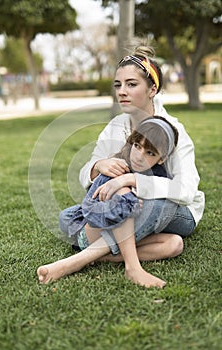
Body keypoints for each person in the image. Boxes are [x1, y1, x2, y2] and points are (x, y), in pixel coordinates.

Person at [37, 44, 205, 287]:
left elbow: (186, 190)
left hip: (178, 212)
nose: (122, 91)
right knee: (172, 244)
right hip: (139, 213)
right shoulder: (116, 126)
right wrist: (99, 166)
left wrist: (131, 180)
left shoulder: (173, 129)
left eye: (131, 84)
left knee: (129, 196)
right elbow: (87, 173)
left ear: (152, 89)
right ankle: (114, 255)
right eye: (118, 85)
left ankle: (88, 260)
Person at [37, 116, 179, 287]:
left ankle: (100, 257)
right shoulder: (117, 167)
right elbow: (90, 209)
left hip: (124, 237)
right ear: (131, 143)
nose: (139, 156)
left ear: (162, 158)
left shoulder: (158, 177)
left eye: (150, 153)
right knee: (122, 194)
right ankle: (131, 268)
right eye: (137, 146)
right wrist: (128, 203)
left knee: (175, 244)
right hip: (94, 228)